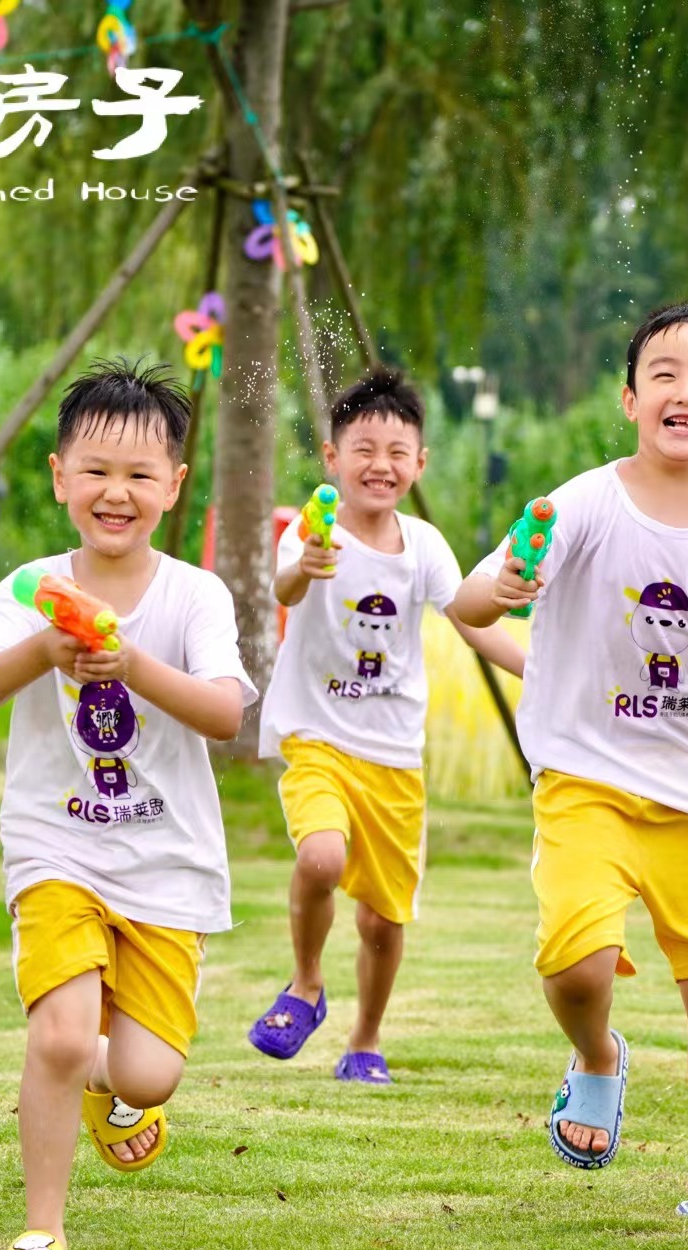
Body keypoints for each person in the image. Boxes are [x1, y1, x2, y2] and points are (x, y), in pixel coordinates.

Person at [457, 302, 688, 1242]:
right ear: (630, 400)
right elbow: (469, 603)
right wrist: (504, 586)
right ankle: (596, 1052)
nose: (686, 390)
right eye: (663, 373)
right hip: (586, 780)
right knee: (577, 961)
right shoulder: (586, 502)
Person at [0, 360, 254, 1250]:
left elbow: (225, 712)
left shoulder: (195, 595)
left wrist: (131, 665)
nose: (114, 492)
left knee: (147, 1075)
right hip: (58, 843)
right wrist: (46, 647)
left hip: (166, 858)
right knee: (56, 1031)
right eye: (94, 470)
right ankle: (39, 1233)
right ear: (59, 478)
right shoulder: (31, 587)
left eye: (137, 474)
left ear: (174, 485)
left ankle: (104, 1078)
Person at [248, 367, 523, 1082]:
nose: (381, 465)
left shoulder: (424, 545)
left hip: (394, 755)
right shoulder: (314, 530)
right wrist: (307, 564)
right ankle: (306, 983)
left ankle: (365, 1039)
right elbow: (285, 587)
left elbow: (469, 618)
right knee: (320, 858)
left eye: (398, 452)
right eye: (364, 449)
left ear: (420, 463)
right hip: (317, 735)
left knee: (382, 918)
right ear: (332, 457)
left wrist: (534, 664)